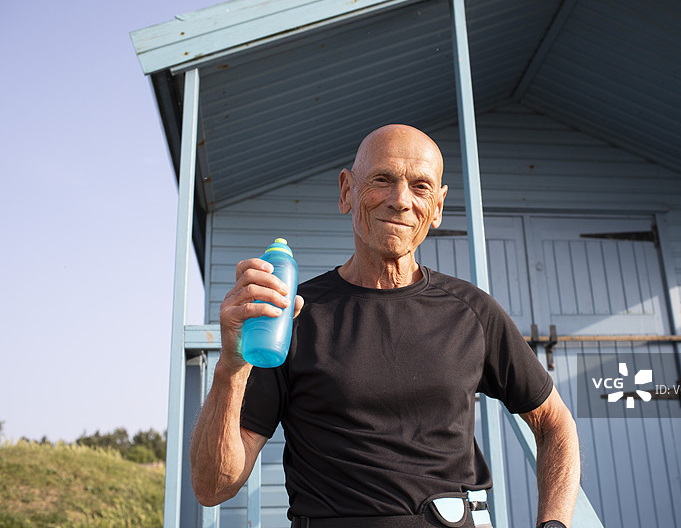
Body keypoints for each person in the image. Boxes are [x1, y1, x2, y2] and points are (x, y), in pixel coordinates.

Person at [189, 124, 580, 528]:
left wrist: (554, 525)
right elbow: (212, 488)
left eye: (420, 186)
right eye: (382, 180)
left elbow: (555, 423)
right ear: (346, 191)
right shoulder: (294, 315)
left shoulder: (472, 312)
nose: (401, 200)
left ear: (438, 206)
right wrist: (232, 366)